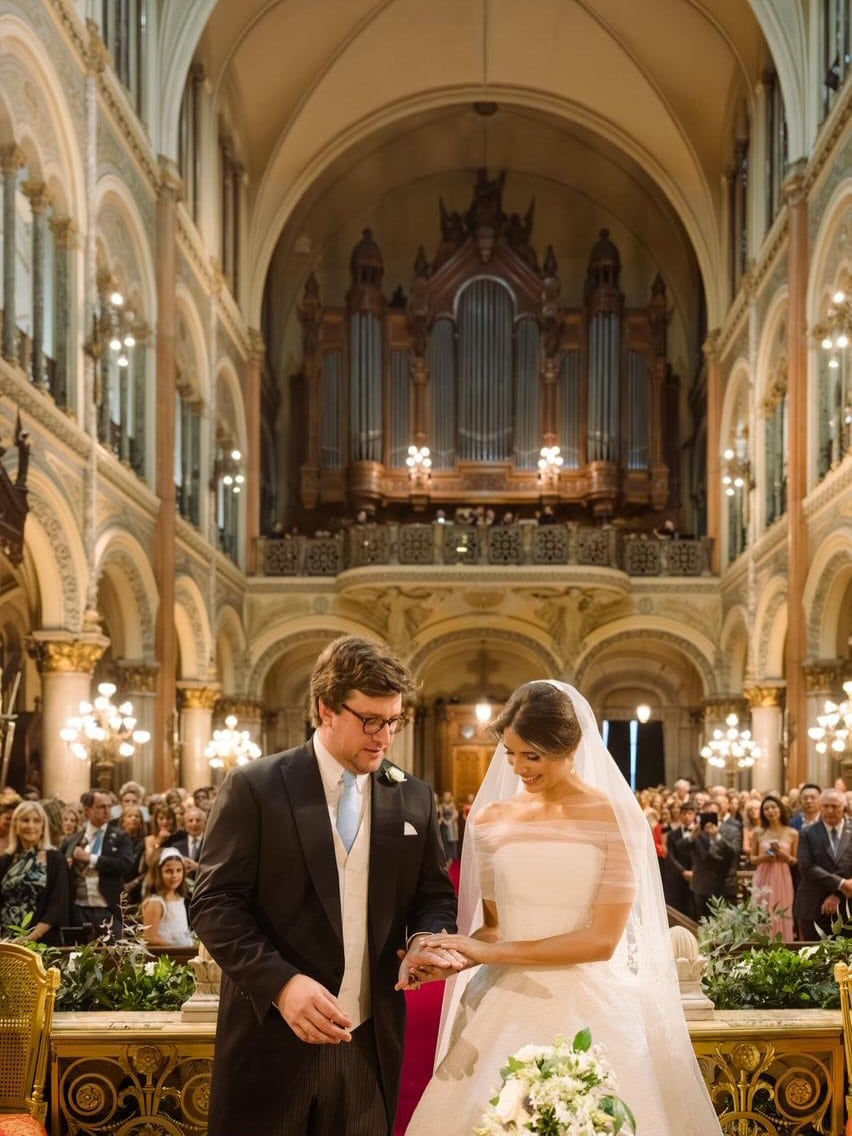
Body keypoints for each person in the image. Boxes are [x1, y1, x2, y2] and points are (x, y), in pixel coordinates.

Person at [405, 681, 721, 1136]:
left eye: (532, 756)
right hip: (500, 1002)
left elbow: (601, 941)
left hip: (591, 999)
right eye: (511, 754)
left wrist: (489, 955)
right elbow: (493, 929)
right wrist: (453, 959)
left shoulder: (614, 818)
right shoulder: (492, 819)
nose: (518, 768)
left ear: (570, 746)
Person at [191, 635, 459, 1136]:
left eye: (394, 721)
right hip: (269, 1041)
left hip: (367, 1041)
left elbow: (435, 896)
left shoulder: (413, 797)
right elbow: (214, 904)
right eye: (371, 721)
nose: (384, 737)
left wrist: (426, 937)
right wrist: (281, 984)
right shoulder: (257, 787)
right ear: (326, 708)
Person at [0, 800, 70, 944]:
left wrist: (29, 939)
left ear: (43, 826)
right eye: (25, 820)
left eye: (36, 821)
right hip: (5, 940)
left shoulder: (56, 859)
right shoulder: (5, 860)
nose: (31, 826)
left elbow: (58, 904)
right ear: (16, 825)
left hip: (40, 940)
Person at [67, 790, 134, 935]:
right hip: (79, 909)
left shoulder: (120, 837)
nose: (107, 811)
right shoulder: (73, 839)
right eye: (101, 807)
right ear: (87, 810)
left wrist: (90, 858)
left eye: (109, 806)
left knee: (114, 954)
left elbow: (125, 864)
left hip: (107, 908)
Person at [793, 787, 852, 941]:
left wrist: (838, 893)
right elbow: (806, 867)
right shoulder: (807, 833)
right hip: (813, 905)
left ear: (844, 808)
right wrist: (840, 884)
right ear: (820, 807)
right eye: (825, 806)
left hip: (847, 905)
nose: (830, 810)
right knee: (813, 958)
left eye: (835, 806)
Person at [749, 794, 798, 940]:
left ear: (780, 809)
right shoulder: (758, 832)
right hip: (763, 876)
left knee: (783, 912)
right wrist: (764, 857)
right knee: (763, 911)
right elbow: (752, 859)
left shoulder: (792, 833)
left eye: (773, 807)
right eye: (766, 809)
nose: (770, 811)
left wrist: (784, 856)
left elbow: (795, 860)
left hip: (783, 876)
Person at [140, 847, 194, 948]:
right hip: (167, 956)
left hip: (183, 954)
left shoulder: (178, 897)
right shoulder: (155, 902)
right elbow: (149, 937)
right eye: (169, 871)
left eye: (179, 870)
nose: (175, 875)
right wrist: (175, 945)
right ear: (159, 873)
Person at [437, 790, 458, 863]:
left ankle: (449, 865)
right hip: (444, 827)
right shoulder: (441, 805)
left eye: (448, 796)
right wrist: (445, 822)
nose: (447, 797)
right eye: (445, 796)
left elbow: (455, 814)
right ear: (443, 797)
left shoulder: (452, 805)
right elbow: (441, 816)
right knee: (445, 845)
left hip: (451, 827)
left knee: (451, 848)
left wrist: (450, 821)